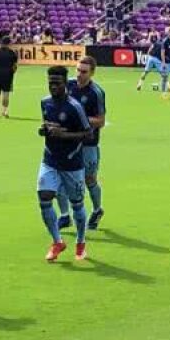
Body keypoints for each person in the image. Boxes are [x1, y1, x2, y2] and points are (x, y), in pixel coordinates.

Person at [38, 66, 93, 262]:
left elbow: (88, 133)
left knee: (77, 204)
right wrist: (44, 130)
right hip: (50, 159)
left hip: (72, 163)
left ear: (65, 83)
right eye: (50, 82)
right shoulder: (44, 103)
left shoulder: (74, 107)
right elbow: (48, 124)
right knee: (44, 198)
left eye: (57, 83)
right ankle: (57, 241)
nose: (53, 86)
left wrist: (64, 135)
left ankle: (80, 242)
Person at [69, 56, 107, 230]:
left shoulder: (96, 93)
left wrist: (79, 118)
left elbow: (101, 121)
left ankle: (97, 209)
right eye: (77, 70)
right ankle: (68, 214)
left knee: (89, 179)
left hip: (89, 143)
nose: (79, 74)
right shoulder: (68, 86)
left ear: (92, 73)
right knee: (66, 178)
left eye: (83, 72)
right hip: (69, 141)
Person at [0, 34, 18, 117]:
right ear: (9, 43)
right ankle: (5, 112)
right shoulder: (12, 53)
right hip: (8, 75)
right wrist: (12, 72)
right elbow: (15, 66)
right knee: (6, 94)